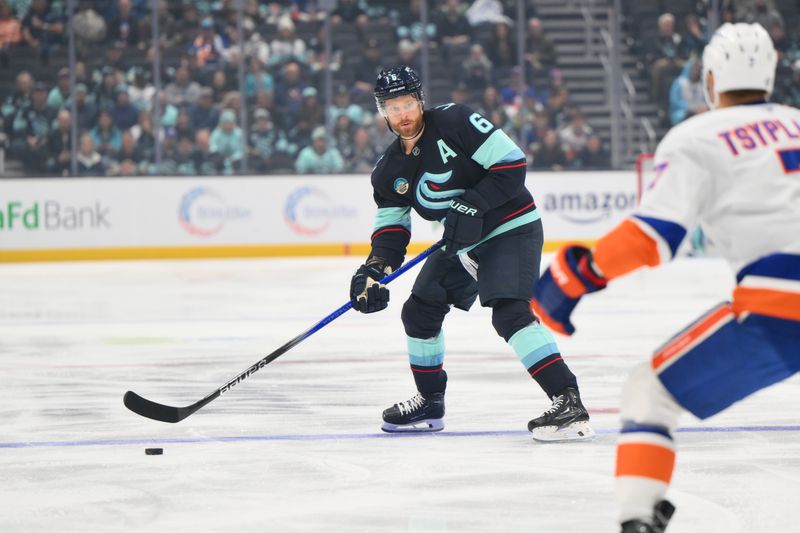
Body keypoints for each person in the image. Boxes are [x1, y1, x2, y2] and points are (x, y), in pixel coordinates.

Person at [530, 23, 799, 532]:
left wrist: (574, 275)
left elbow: (651, 237)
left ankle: (638, 519)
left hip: (782, 307)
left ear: (711, 80)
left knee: (646, 394)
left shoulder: (699, 135)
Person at [349, 65, 593, 441]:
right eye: (392, 107)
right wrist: (372, 270)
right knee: (419, 311)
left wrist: (473, 204)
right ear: (382, 111)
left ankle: (568, 401)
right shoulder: (387, 171)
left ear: (420, 101)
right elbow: (392, 232)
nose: (403, 115)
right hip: (461, 242)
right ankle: (430, 403)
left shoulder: (456, 120)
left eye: (408, 103)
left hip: (510, 227)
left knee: (509, 312)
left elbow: (511, 165)